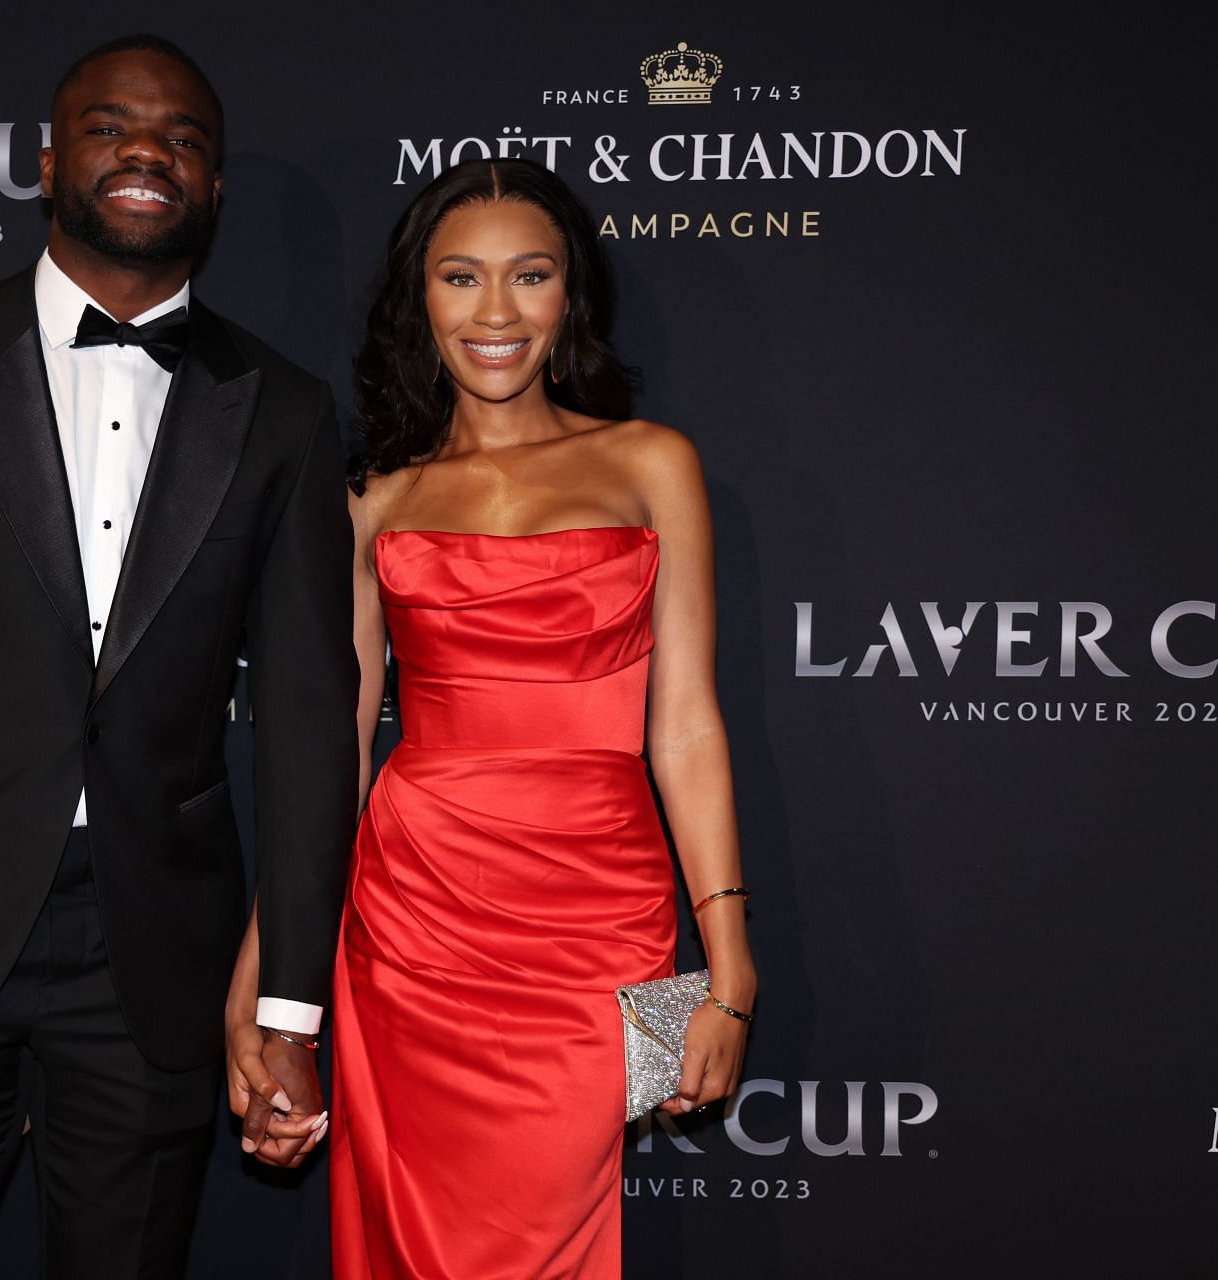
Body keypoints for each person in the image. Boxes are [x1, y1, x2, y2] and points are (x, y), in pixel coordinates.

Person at [0, 33, 357, 1278]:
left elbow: (313, 725)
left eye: (184, 138)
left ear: (212, 190)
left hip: (152, 959)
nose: (148, 149)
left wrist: (289, 1011)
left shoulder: (286, 409)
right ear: (48, 162)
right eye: (111, 126)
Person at [332, 158, 757, 1277]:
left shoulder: (651, 462)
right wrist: (264, 975)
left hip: (606, 913)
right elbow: (336, 749)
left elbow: (688, 731)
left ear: (570, 296)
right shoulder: (379, 493)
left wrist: (728, 971)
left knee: (569, 1220)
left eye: (531, 275)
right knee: (418, 1238)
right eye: (460, 277)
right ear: (418, 299)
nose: (496, 312)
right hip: (411, 920)